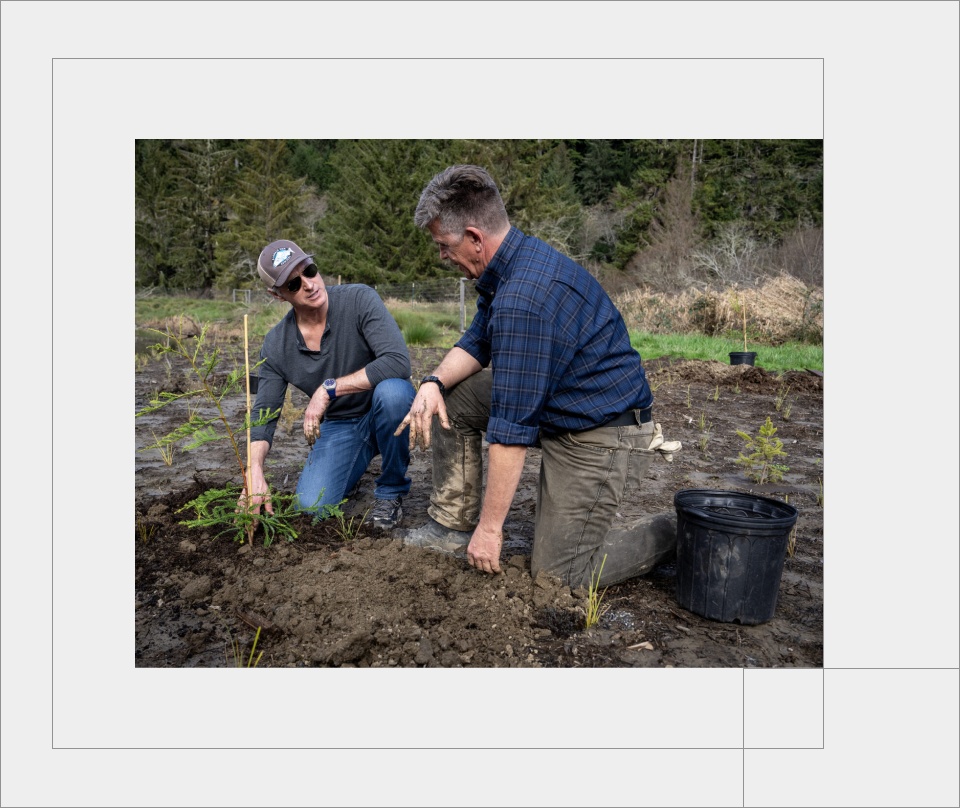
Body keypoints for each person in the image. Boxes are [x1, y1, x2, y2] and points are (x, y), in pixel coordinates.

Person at [395, 165, 680, 588]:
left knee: (559, 576)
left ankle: (671, 532)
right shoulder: (510, 264)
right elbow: (477, 341)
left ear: (475, 238)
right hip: (560, 397)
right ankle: (450, 525)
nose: (441, 256)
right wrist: (432, 383)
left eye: (444, 245)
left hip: (601, 430)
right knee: (451, 398)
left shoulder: (523, 300)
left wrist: (491, 531)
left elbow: (511, 431)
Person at [241, 239, 416, 530]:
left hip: (383, 408)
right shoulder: (275, 344)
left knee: (394, 393)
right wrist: (254, 471)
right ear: (277, 294)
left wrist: (328, 389)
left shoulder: (359, 299)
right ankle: (349, 464)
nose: (309, 284)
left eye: (309, 270)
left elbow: (398, 362)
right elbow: (264, 415)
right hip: (341, 425)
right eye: (294, 284)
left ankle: (391, 490)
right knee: (310, 509)